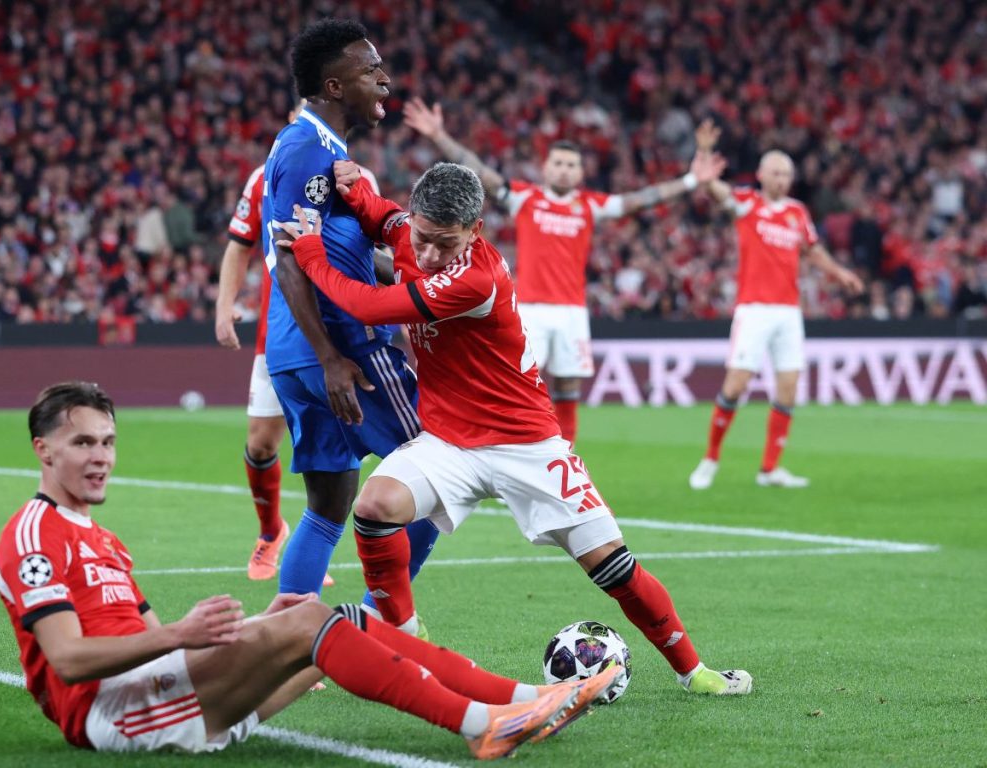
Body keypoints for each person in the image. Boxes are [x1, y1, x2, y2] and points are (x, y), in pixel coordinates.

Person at [276, 160, 752, 696]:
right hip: (449, 442)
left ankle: (697, 673)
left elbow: (371, 303)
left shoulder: (476, 277)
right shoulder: (413, 233)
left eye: (445, 244)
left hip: (526, 442)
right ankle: (405, 633)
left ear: (475, 231)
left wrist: (311, 251)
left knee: (613, 567)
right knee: (374, 508)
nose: (429, 254)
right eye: (423, 238)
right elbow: (386, 219)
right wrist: (357, 192)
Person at [0, 381, 621, 758]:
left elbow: (153, 641)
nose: (101, 457)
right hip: (109, 715)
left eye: (106, 442)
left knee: (330, 618)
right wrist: (184, 635)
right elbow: (69, 661)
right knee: (312, 625)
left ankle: (524, 699)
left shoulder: (104, 540)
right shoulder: (31, 535)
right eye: (83, 444)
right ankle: (482, 726)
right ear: (42, 450)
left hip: (162, 691)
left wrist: (243, 635)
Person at [404, 99, 726, 447]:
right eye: (558, 163)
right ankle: (506, 451)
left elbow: (642, 199)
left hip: (572, 313)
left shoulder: (589, 205)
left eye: (571, 165)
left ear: (580, 172)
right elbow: (480, 171)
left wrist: (693, 179)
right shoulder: (525, 198)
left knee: (569, 387)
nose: (563, 169)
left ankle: (566, 459)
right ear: (546, 167)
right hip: (531, 312)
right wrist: (439, 136)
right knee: (518, 386)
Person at [261, 20, 439, 604]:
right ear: (334, 87)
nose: (385, 79)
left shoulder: (317, 148)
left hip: (296, 355)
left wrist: (424, 284)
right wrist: (331, 357)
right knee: (441, 475)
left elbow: (336, 252)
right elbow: (290, 259)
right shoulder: (308, 149)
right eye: (371, 69)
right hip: (344, 351)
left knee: (327, 508)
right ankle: (375, 621)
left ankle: (290, 643)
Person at [215, 100, 382, 583]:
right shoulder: (266, 174)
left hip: (339, 337)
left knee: (351, 463)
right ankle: (272, 533)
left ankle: (318, 560)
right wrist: (225, 306)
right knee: (262, 443)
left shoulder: (357, 176)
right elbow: (238, 245)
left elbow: (371, 249)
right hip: (282, 338)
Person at [687, 126, 864, 491]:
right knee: (735, 385)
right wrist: (704, 158)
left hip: (788, 312)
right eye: (776, 173)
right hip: (754, 309)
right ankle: (711, 458)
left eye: (787, 174)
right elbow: (716, 189)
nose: (782, 179)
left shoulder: (798, 212)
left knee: (788, 389)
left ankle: (770, 469)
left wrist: (839, 273)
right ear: (762, 175)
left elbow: (813, 250)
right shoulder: (748, 204)